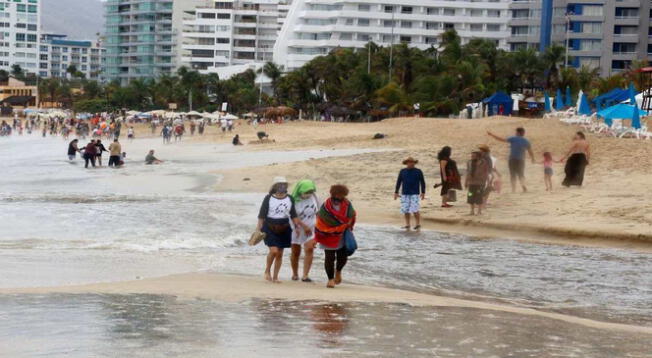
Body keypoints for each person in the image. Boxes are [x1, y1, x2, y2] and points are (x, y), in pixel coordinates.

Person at [256, 177, 311, 283]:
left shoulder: (290, 198)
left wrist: (297, 227)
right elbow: (261, 215)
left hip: (284, 228)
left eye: (284, 184)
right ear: (275, 186)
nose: (282, 186)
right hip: (270, 227)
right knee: (273, 251)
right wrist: (258, 229)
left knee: (280, 254)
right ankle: (267, 271)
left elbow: (293, 214)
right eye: (279, 184)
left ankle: (276, 277)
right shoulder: (268, 198)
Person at [315, 184, 356, 288]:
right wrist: (332, 228)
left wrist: (345, 225)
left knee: (342, 257)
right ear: (333, 193)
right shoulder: (326, 205)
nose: (339, 196)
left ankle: (338, 271)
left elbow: (352, 215)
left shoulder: (347, 204)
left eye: (342, 195)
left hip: (342, 234)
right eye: (338, 194)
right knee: (329, 257)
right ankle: (330, 279)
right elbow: (321, 219)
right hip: (327, 234)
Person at [487, 127, 534, 193]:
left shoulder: (513, 138)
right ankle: (523, 187)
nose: (515, 133)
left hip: (512, 159)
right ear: (523, 133)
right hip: (521, 160)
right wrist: (533, 158)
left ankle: (513, 189)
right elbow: (530, 151)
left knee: (513, 174)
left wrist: (492, 135)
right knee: (521, 174)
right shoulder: (526, 141)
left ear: (518, 132)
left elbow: (501, 139)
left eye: (516, 132)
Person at [290, 179, 320, 282]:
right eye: (306, 192)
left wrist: (319, 229)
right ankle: (295, 273)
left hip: (311, 229)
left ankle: (305, 275)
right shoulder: (292, 200)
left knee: (310, 249)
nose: (308, 194)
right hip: (296, 229)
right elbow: (293, 216)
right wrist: (303, 226)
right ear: (300, 191)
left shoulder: (314, 197)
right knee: (295, 252)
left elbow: (318, 213)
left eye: (310, 192)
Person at [394, 157, 426, 231]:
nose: (411, 163)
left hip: (415, 193)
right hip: (405, 193)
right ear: (406, 163)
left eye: (412, 162)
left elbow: (422, 182)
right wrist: (396, 192)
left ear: (414, 163)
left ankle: (418, 224)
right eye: (409, 162)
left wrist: (423, 192)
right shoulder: (402, 171)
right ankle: (407, 224)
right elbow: (398, 182)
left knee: (415, 209)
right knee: (406, 210)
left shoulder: (418, 171)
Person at [465, 151, 489, 215]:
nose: (472, 157)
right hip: (471, 183)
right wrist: (466, 182)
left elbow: (486, 172)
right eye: (471, 156)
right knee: (470, 196)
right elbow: (467, 172)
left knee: (479, 196)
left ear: (478, 156)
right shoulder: (469, 162)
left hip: (480, 183)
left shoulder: (483, 162)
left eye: (473, 156)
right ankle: (472, 211)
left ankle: (479, 211)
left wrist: (486, 181)